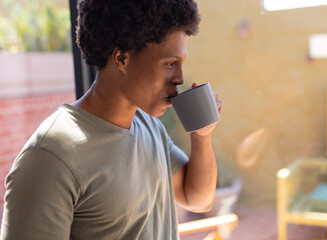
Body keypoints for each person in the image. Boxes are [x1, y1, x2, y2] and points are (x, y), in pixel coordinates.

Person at [1, 0, 222, 239]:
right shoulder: (50, 157)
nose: (180, 78)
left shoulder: (149, 127)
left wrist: (201, 135)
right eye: (170, 63)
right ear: (121, 59)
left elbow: (197, 199)